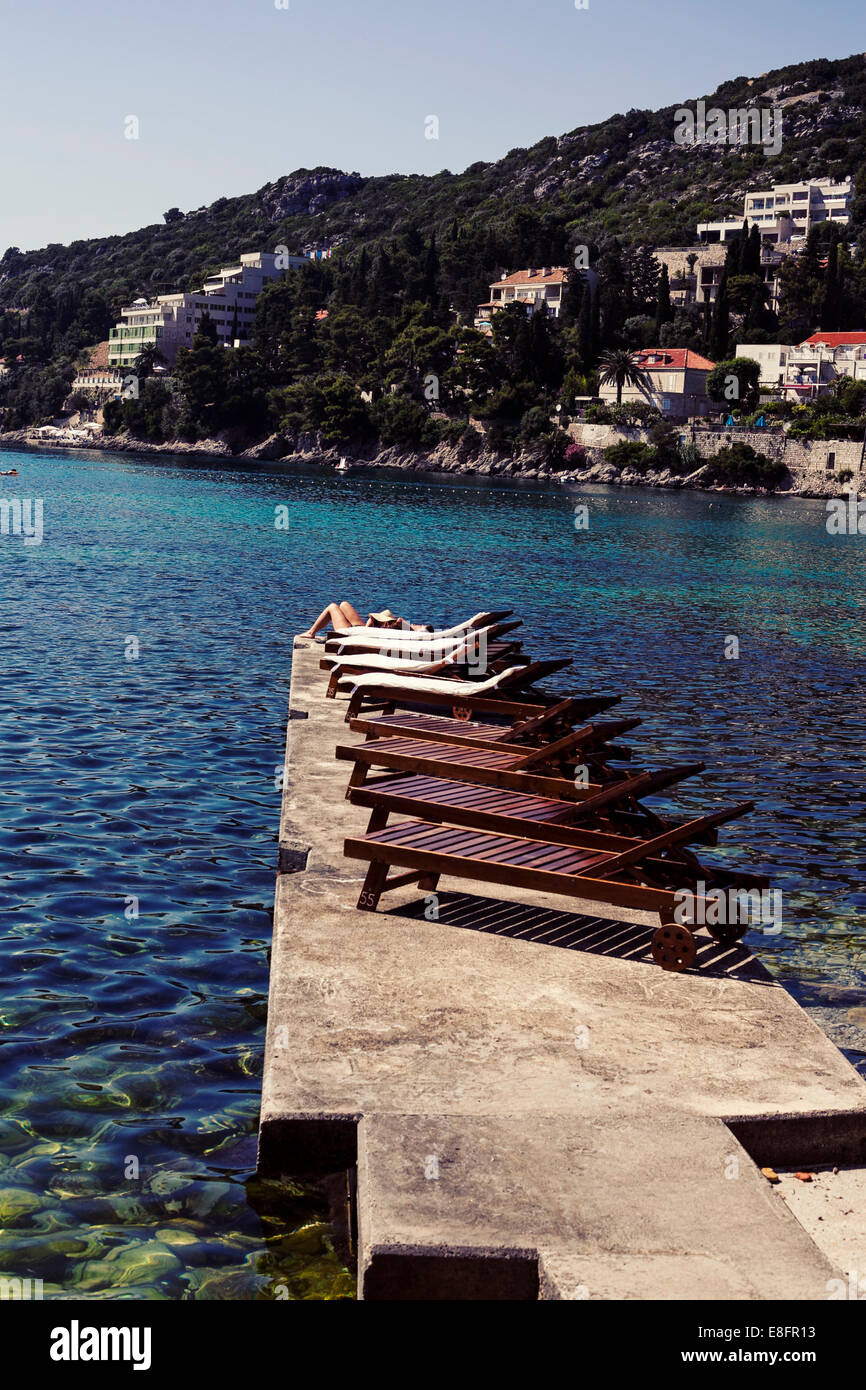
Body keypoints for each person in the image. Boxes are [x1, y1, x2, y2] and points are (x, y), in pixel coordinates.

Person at [297, 602, 428, 639]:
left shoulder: (412, 634)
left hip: (355, 635)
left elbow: (399, 620)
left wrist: (370, 626)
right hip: (367, 632)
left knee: (332, 607)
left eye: (421, 626)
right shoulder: (409, 632)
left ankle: (311, 632)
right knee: (344, 605)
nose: (418, 624)